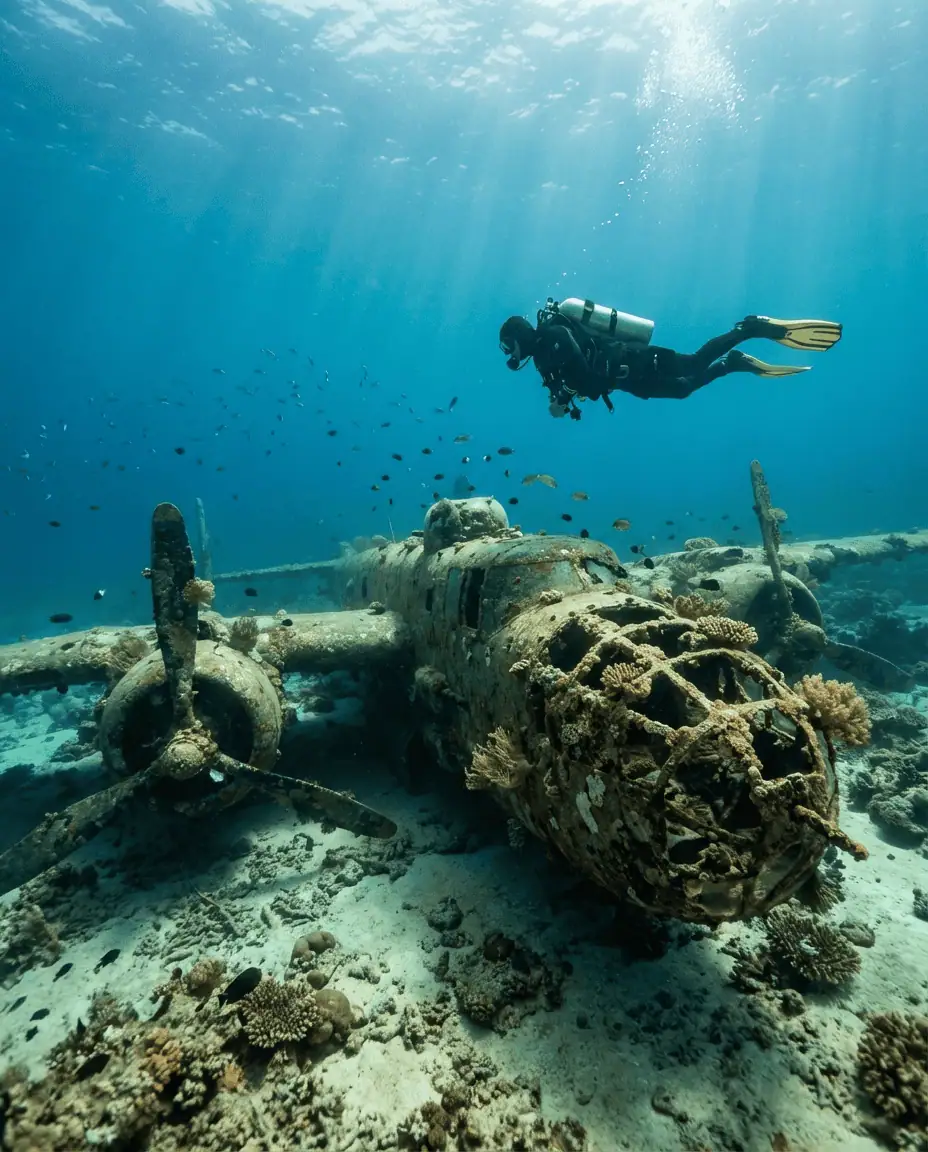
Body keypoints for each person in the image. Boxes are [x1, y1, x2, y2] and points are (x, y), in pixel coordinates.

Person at [498, 303, 843, 419]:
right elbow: (577, 381)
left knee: (692, 364)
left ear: (519, 337)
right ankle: (732, 363)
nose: (510, 356)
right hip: (627, 380)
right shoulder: (543, 358)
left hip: (634, 361)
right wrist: (560, 398)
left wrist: (565, 396)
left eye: (507, 347)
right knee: (683, 391)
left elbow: (585, 377)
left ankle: (749, 328)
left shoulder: (554, 337)